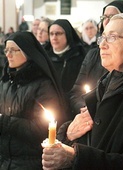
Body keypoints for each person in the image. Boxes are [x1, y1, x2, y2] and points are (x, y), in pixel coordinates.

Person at [42, 12, 123, 170]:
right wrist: (68, 133)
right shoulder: (108, 82)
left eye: (112, 37)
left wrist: (75, 157)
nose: (102, 44)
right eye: (102, 37)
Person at [0, 31, 68, 169]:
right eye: (6, 50)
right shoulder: (6, 82)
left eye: (13, 50)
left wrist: (5, 122)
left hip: (30, 162)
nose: (8, 55)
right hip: (5, 161)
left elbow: (43, 128)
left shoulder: (43, 85)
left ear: (27, 52)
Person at [69, 1, 123, 116]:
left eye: (112, 16)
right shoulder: (93, 55)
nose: (107, 21)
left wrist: (97, 110)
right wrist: (85, 107)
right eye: (104, 17)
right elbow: (76, 92)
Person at [47, 19, 86, 119]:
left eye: (58, 33)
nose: (54, 37)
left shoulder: (79, 55)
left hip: (72, 108)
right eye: (51, 34)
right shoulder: (45, 57)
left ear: (68, 34)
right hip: (51, 107)